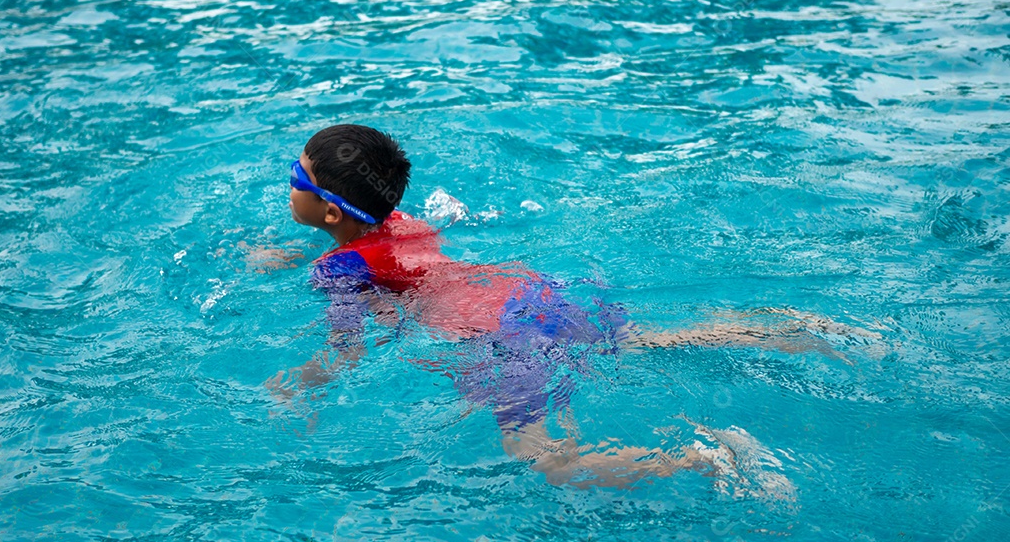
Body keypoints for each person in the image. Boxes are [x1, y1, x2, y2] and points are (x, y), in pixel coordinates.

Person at [265, 124, 875, 492]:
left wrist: (302, 385)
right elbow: (389, 258)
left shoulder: (338, 269)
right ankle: (798, 333)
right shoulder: (404, 222)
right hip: (533, 293)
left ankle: (703, 458)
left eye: (299, 173)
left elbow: (346, 349)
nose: (290, 177)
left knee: (543, 461)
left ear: (328, 212)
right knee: (658, 338)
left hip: (499, 338)